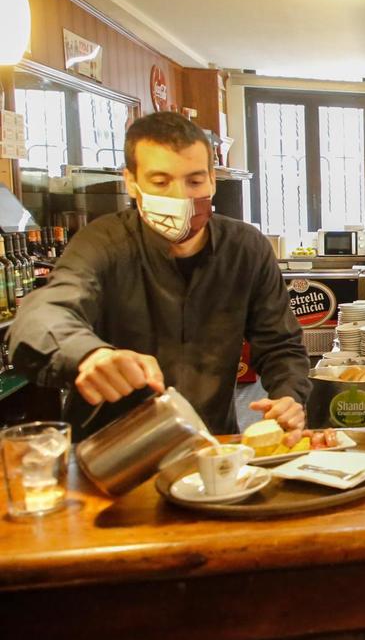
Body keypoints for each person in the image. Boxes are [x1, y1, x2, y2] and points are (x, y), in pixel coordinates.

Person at [8, 111, 310, 436]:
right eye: (160, 182)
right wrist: (90, 354)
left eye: (194, 181)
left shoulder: (246, 248)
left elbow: (280, 344)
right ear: (132, 183)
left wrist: (288, 398)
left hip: (211, 449)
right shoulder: (102, 242)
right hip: (108, 455)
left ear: (212, 179)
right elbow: (43, 314)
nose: (180, 197)